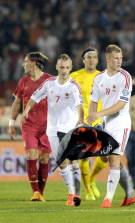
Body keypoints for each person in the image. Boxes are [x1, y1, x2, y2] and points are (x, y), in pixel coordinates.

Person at [22, 54, 84, 206]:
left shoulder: (73, 86)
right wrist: (27, 109)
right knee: (62, 162)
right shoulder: (49, 83)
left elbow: (79, 106)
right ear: (57, 67)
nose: (64, 70)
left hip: (70, 128)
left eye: (67, 67)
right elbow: (35, 96)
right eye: (62, 67)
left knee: (72, 162)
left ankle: (75, 193)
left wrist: (81, 119)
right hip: (52, 130)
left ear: (71, 68)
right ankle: (72, 193)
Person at [87, 44, 134, 208]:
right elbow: (93, 103)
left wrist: (99, 114)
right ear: (107, 59)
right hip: (105, 124)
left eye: (121, 58)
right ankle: (131, 193)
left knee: (114, 160)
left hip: (121, 123)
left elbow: (121, 105)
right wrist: (91, 122)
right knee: (105, 158)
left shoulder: (125, 77)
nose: (119, 61)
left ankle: (108, 198)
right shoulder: (98, 79)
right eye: (116, 58)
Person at [8, 52, 52, 201]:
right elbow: (17, 103)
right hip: (29, 124)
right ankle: (35, 192)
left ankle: (41, 192)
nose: (23, 64)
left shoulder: (49, 80)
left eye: (25, 62)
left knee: (45, 158)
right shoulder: (23, 81)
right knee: (31, 154)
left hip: (47, 125)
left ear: (33, 63)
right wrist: (11, 122)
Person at [70, 47, 107, 200]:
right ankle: (88, 190)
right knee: (84, 157)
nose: (91, 59)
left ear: (97, 60)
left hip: (100, 120)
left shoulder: (104, 76)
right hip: (82, 121)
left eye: (94, 57)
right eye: (88, 57)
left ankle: (91, 179)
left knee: (105, 156)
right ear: (83, 60)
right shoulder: (75, 76)